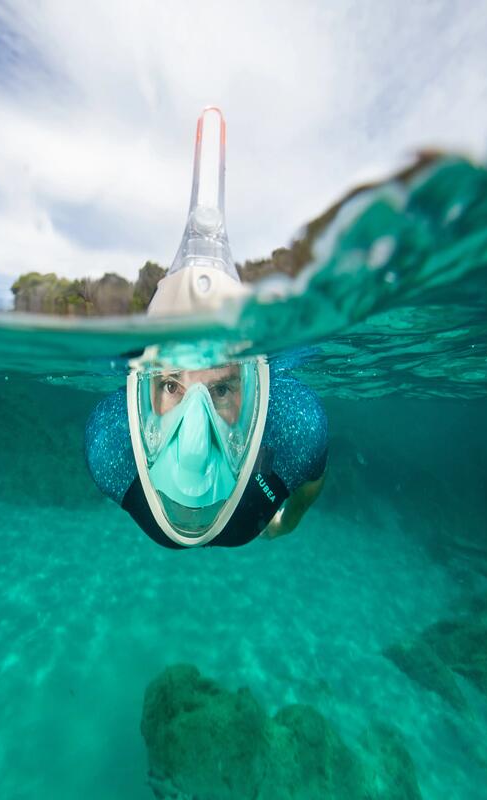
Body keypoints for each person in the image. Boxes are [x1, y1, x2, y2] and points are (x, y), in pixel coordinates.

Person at [84, 108, 328, 548]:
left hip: (250, 520)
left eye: (221, 390)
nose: (194, 446)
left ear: (255, 392)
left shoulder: (297, 426)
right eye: (172, 386)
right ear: (140, 390)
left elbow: (311, 483)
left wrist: (285, 521)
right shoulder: (110, 444)